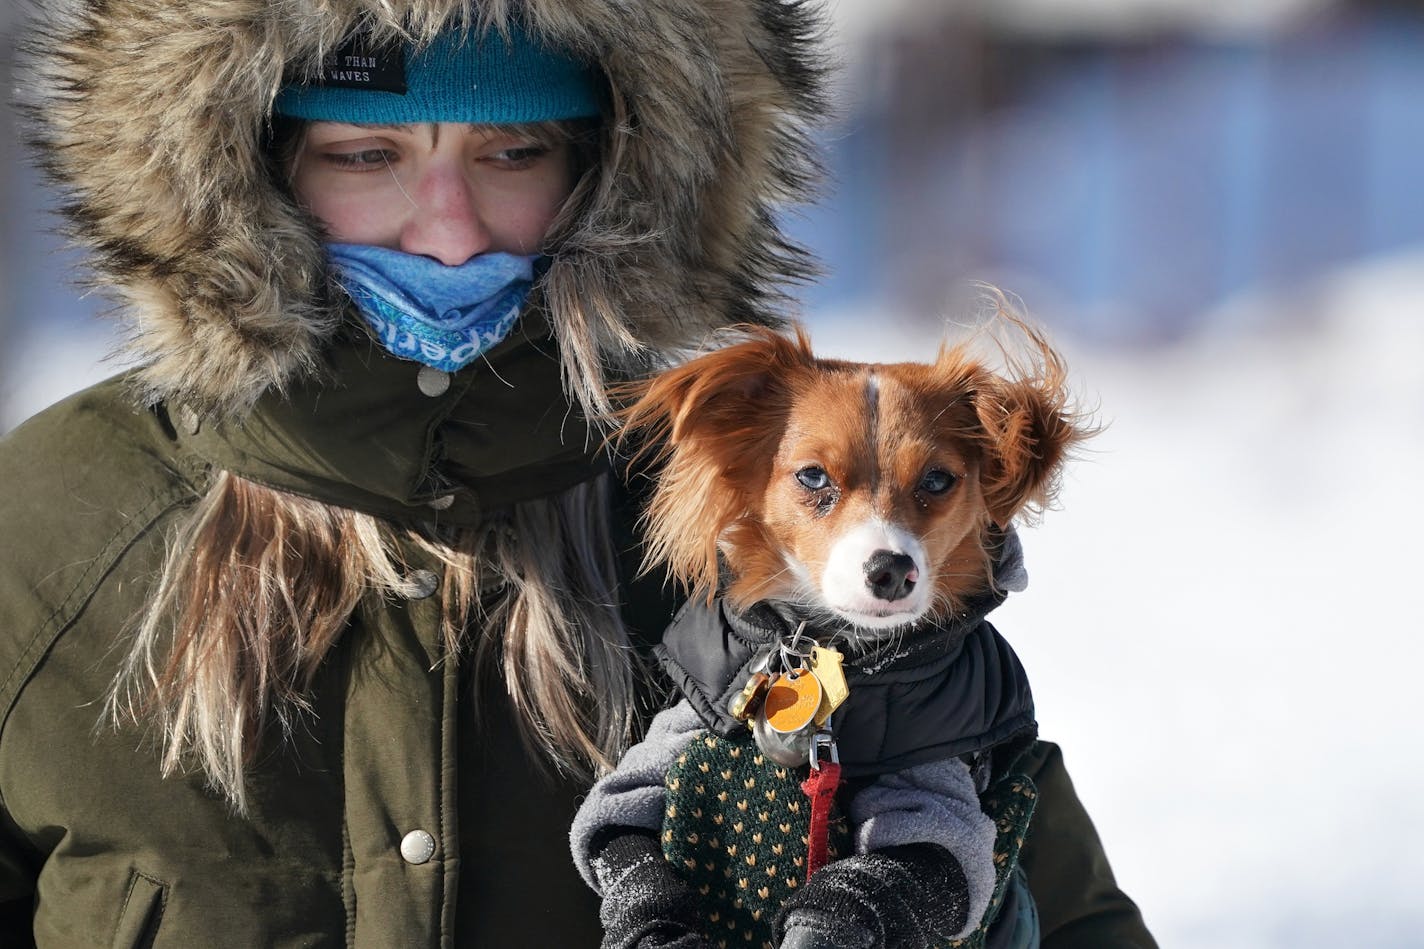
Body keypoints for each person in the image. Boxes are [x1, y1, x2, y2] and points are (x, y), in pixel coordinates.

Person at [0, 2, 1155, 947]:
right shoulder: (53, 514)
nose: (447, 231)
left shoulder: (734, 506)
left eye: (512, 153)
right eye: (367, 155)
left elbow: (1052, 904)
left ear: (610, 176)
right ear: (244, 174)